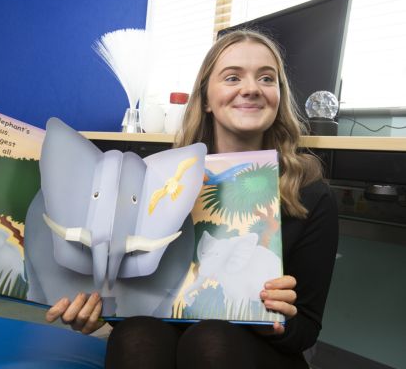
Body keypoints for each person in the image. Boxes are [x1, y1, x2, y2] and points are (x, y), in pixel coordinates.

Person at [45, 29, 339, 369]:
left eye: (266, 78)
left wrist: (278, 318)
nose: (251, 88)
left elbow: (306, 331)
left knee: (209, 339)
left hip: (256, 353)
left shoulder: (311, 194)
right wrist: (100, 310)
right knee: (136, 334)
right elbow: (140, 305)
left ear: (278, 95)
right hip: (165, 342)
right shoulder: (162, 186)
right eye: (232, 77)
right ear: (206, 100)